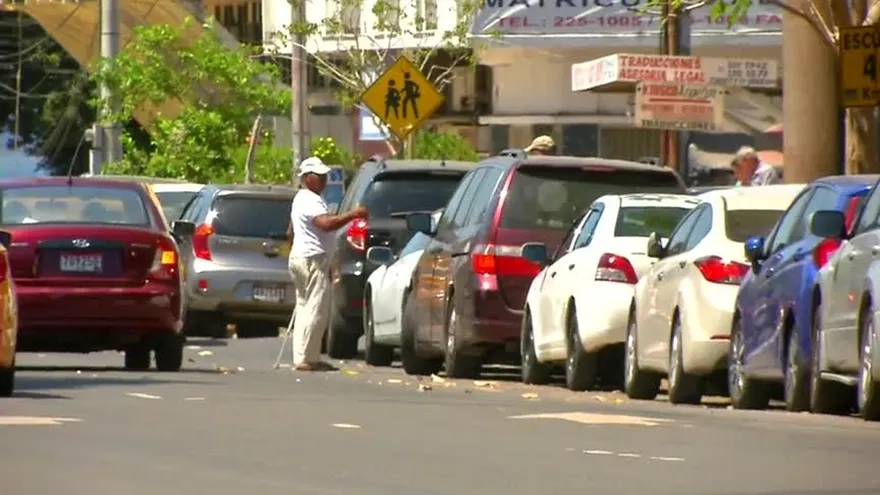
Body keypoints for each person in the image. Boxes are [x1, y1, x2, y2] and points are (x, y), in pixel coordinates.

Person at [288, 156, 368, 372]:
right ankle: (307, 358)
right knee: (316, 309)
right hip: (313, 258)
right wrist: (353, 214)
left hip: (301, 256)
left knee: (305, 307)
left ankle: (305, 357)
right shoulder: (311, 200)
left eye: (324, 176)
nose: (323, 180)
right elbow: (325, 224)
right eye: (319, 176)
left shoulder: (300, 199)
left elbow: (290, 231)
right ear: (307, 178)